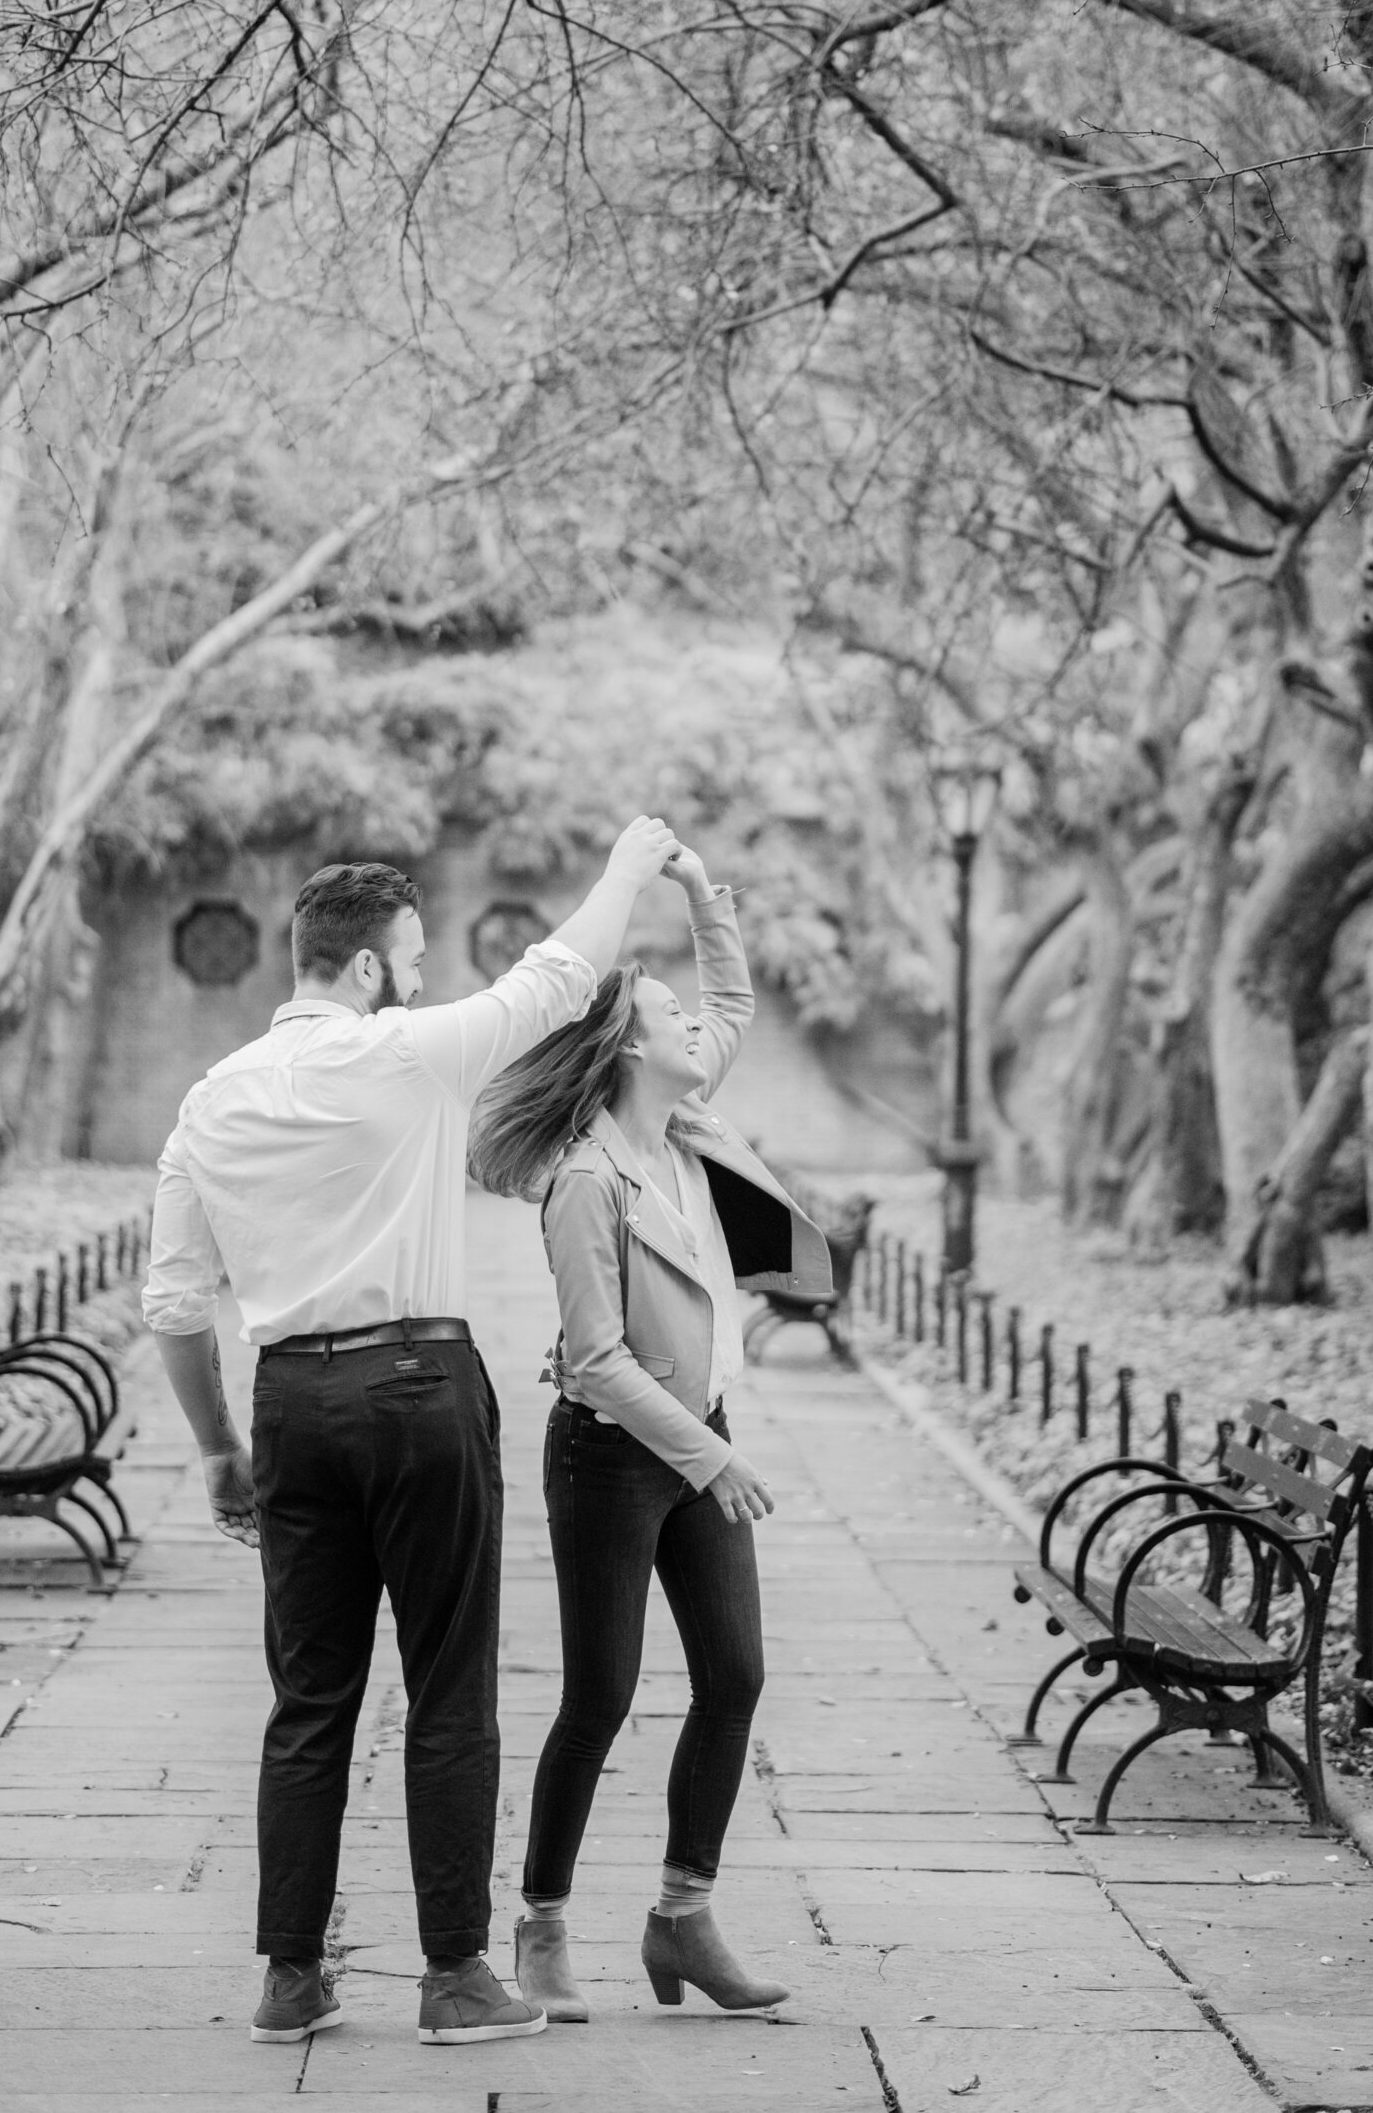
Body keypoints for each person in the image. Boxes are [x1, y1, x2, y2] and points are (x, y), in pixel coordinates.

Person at [141, 818, 681, 2051]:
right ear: (373, 967)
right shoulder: (405, 1055)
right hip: (418, 1388)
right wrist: (628, 867)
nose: (429, 977)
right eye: (418, 956)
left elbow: (175, 1304)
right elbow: (557, 977)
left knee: (308, 1698)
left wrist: (223, 1451)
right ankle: (452, 1980)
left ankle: (290, 1979)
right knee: (448, 1686)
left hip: (290, 1402)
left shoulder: (211, 1098)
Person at [469, 846, 833, 2019]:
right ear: (630, 1045)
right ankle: (540, 1927)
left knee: (734, 1678)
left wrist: (699, 892)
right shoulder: (587, 1181)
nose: (695, 1024)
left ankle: (681, 1918)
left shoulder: (684, 1124)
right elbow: (592, 1360)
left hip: (695, 1438)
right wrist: (712, 1455)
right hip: (613, 1460)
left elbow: (729, 998)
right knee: (601, 1696)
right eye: (666, 1012)